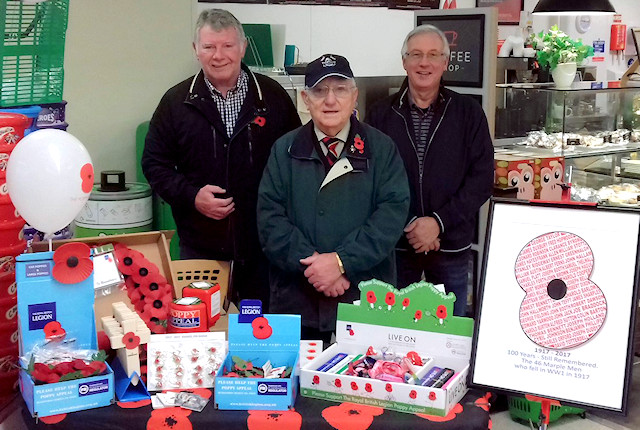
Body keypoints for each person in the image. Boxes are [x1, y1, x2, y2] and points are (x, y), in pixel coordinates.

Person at [142, 9, 301, 310]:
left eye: (228, 46)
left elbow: (296, 162)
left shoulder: (272, 97)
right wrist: (191, 196)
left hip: (264, 247)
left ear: (242, 47)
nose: (219, 56)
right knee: (204, 332)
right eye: (209, 47)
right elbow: (154, 163)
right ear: (195, 50)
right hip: (200, 249)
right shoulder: (175, 103)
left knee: (260, 337)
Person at [257, 54, 410, 343]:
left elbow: (391, 216)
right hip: (297, 301)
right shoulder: (284, 150)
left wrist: (341, 262)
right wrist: (316, 266)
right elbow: (269, 219)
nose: (330, 100)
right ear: (305, 99)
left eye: (340, 90)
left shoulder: (381, 149)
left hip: (364, 298)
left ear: (354, 97)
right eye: (319, 91)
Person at [366, 25, 494, 316]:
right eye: (416, 55)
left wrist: (437, 223)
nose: (425, 63)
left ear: (445, 63)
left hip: (450, 245)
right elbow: (371, 179)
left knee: (449, 334)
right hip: (396, 246)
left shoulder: (468, 112)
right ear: (404, 62)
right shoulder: (380, 114)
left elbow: (482, 178)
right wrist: (411, 224)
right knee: (392, 330)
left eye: (433, 55)